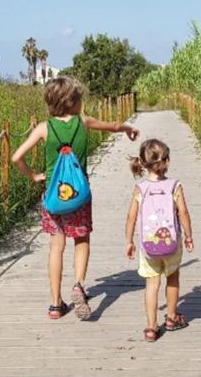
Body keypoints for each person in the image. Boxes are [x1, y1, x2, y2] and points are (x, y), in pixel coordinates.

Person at [12, 76, 139, 319]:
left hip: (53, 197)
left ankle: (55, 304)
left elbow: (16, 157)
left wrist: (33, 176)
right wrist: (127, 129)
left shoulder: (44, 128)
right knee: (81, 240)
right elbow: (111, 126)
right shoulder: (83, 121)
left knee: (56, 247)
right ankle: (79, 285)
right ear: (73, 102)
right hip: (80, 196)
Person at [124, 139, 194, 342]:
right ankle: (172, 318)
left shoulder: (140, 189)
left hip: (148, 246)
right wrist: (188, 236)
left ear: (144, 164)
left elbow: (131, 217)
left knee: (151, 284)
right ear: (167, 161)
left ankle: (151, 328)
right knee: (172, 277)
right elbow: (184, 214)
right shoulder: (174, 186)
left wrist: (129, 241)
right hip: (172, 243)